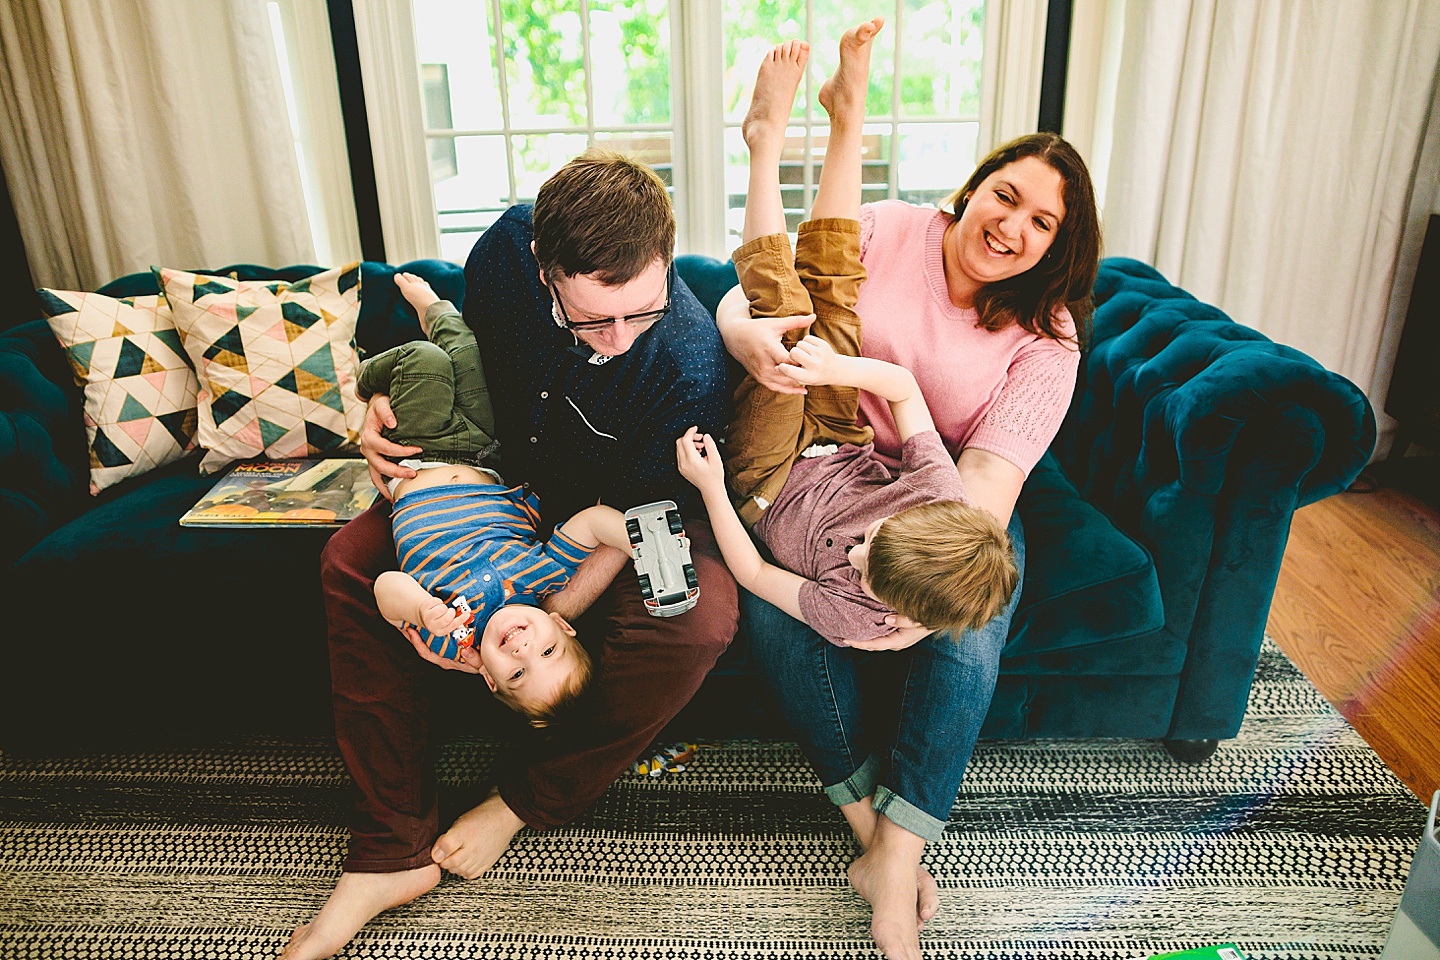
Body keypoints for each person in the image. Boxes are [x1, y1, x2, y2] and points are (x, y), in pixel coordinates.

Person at [280, 149, 738, 960]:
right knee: (349, 562)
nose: (622, 340)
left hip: (616, 512)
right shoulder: (502, 252)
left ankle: (525, 801)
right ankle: (391, 848)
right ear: (541, 268)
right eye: (594, 319)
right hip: (491, 482)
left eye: (644, 309)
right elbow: (455, 361)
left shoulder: (685, 366)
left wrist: (541, 611)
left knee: (696, 622)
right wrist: (378, 414)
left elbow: (632, 520)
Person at [716, 20, 1102, 960]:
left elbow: (982, 491)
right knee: (779, 611)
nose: (1010, 227)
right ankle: (870, 835)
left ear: (1058, 245)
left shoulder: (1047, 343)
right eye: (1003, 196)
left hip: (937, 502)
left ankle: (897, 851)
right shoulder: (894, 226)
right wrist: (748, 340)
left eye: (1040, 222)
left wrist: (913, 593)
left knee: (968, 627)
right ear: (970, 191)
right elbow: (752, 294)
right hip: (810, 453)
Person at [677, 34, 1016, 650]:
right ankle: (847, 117)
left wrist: (709, 485)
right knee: (834, 300)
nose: (857, 550)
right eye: (875, 539)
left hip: (770, 480)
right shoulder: (940, 496)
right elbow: (905, 389)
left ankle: (762, 145)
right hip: (841, 439)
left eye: (864, 566)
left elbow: (754, 572)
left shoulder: (861, 620)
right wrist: (838, 367)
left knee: (782, 317)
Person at [359, 273, 636, 724]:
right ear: (563, 625)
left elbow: (385, 587)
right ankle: (432, 306)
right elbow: (589, 524)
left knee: (426, 360)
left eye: (517, 674)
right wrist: (636, 541)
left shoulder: (450, 635)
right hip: (480, 453)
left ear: (488, 677)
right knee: (465, 352)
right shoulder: (542, 577)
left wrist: (421, 609)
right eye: (548, 649)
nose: (524, 650)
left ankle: (364, 375)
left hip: (418, 459)